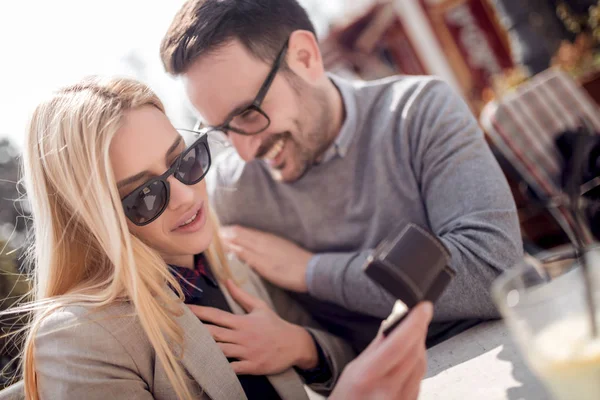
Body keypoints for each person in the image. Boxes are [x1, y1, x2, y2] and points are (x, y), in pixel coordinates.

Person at [2, 76, 433, 400]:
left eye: (185, 160)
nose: (187, 196)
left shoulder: (224, 262)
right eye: (145, 195)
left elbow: (340, 355)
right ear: (93, 221)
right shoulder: (76, 341)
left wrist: (300, 347)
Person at [160, 0, 523, 352]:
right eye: (222, 130)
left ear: (305, 57)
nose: (244, 152)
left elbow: (492, 269)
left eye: (250, 114)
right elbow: (308, 344)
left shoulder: (419, 113)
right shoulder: (232, 193)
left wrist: (311, 271)